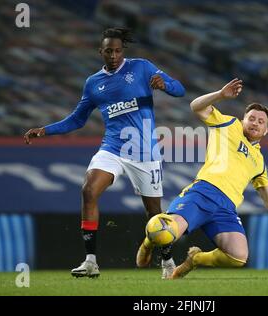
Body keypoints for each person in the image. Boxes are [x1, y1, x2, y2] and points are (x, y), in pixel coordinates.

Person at [24, 27, 185, 278]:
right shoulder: (93, 83)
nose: (113, 55)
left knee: (154, 212)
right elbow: (77, 120)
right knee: (89, 189)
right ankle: (90, 261)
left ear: (123, 51)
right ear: (101, 51)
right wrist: (45, 130)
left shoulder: (141, 67)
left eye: (118, 50)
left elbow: (180, 89)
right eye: (108, 51)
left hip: (144, 151)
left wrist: (165, 85)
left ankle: (167, 262)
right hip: (112, 148)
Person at [136, 79, 268, 279]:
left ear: (266, 131)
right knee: (165, 233)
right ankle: (149, 242)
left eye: (261, 121)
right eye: (252, 118)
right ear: (243, 120)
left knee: (238, 257)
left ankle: (195, 259)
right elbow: (196, 106)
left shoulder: (259, 162)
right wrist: (220, 95)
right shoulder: (228, 124)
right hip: (202, 194)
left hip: (226, 208)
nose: (255, 123)